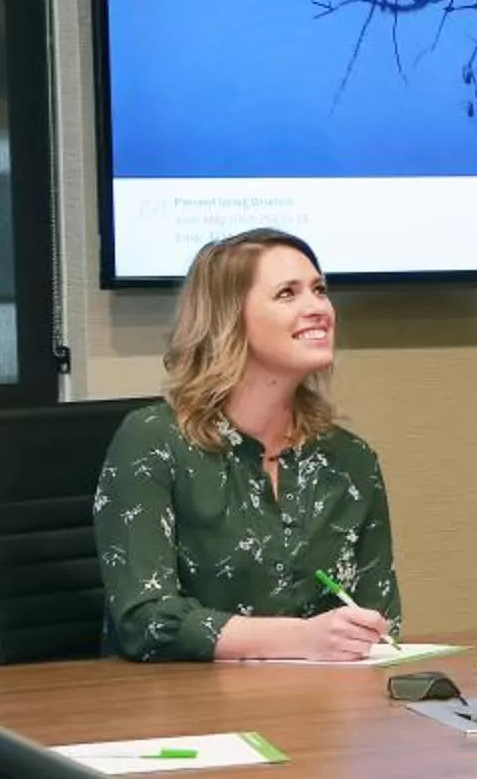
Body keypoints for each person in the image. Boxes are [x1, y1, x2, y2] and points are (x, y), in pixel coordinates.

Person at [94, 228, 402, 662]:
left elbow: (378, 619)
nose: (317, 308)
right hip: (183, 710)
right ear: (228, 318)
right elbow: (144, 621)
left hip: (320, 711)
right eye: (287, 294)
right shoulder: (154, 440)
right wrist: (301, 640)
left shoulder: (351, 461)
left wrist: (360, 635)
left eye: (319, 290)